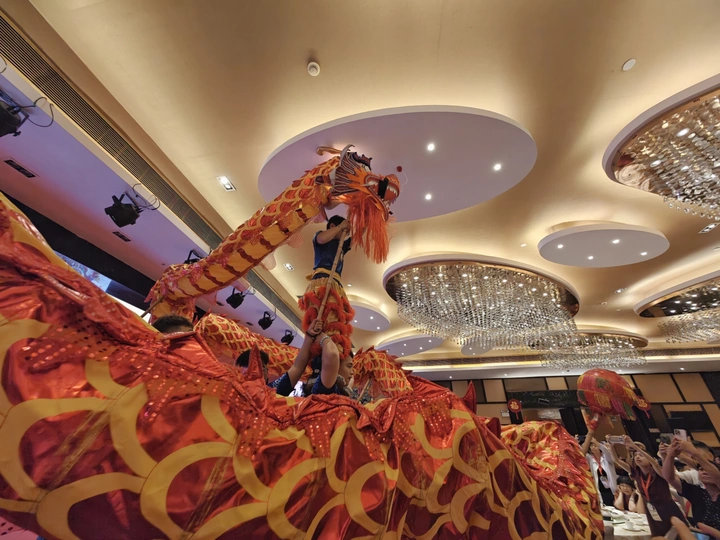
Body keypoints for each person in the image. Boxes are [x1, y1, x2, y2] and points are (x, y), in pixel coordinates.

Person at [298, 216, 355, 359]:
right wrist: (341, 227)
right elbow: (322, 239)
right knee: (320, 320)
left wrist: (365, 219)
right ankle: (320, 356)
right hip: (322, 282)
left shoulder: (341, 246)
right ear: (333, 226)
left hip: (336, 284)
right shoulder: (320, 237)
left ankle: (331, 356)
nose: (346, 235)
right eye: (344, 231)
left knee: (335, 322)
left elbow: (356, 239)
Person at [236, 318, 324, 397]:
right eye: (250, 366)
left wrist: (309, 335)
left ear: (267, 373)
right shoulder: (232, 391)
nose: (256, 370)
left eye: (262, 367)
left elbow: (297, 367)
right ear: (241, 371)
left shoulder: (274, 390)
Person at [619, 436, 688, 537]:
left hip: (667, 508)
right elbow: (616, 460)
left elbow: (654, 463)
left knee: (677, 536)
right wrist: (611, 446)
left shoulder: (658, 472)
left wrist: (635, 446)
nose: (637, 457)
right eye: (635, 456)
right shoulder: (637, 474)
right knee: (658, 536)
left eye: (641, 455)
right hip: (651, 510)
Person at [663, 438, 720, 531]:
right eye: (701, 469)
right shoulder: (697, 492)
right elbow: (670, 478)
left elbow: (717, 477)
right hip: (701, 535)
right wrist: (670, 455)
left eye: (707, 469)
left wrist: (694, 453)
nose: (704, 471)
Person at [580, 428, 617, 506]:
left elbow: (606, 451)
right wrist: (575, 442)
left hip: (612, 489)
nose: (594, 447)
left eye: (595, 446)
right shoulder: (590, 459)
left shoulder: (607, 458)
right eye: (592, 446)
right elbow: (581, 453)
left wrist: (596, 442)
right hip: (600, 489)